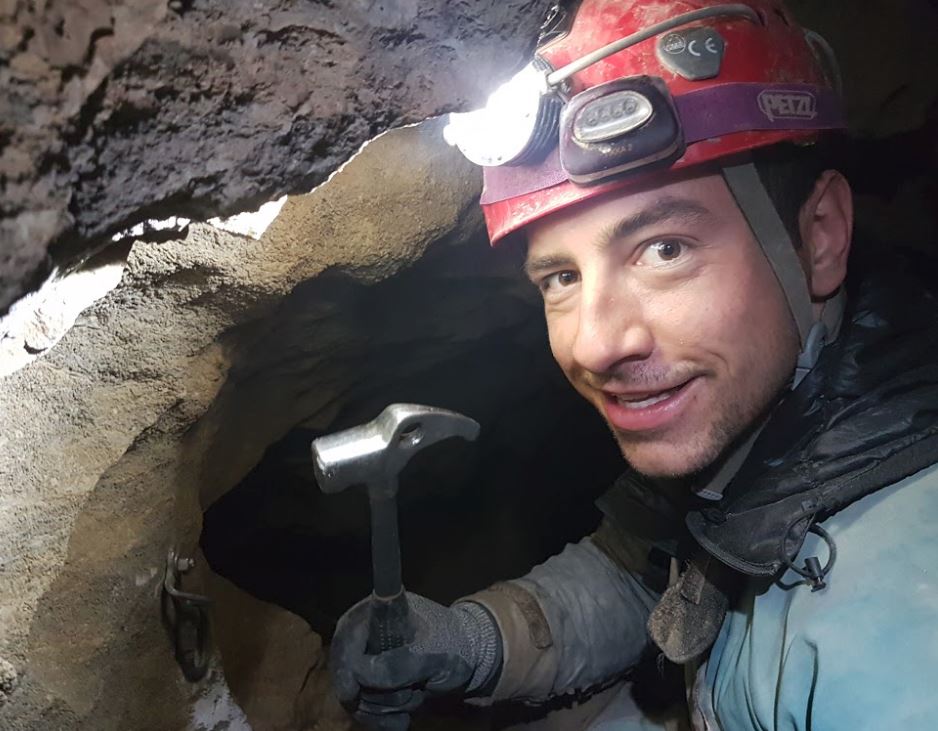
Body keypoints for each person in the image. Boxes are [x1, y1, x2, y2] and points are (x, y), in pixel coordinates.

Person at [330, 1, 938, 729]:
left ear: (821, 237)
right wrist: (474, 643)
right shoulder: (776, 422)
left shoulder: (895, 653)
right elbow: (642, 569)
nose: (594, 345)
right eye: (561, 277)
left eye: (664, 250)